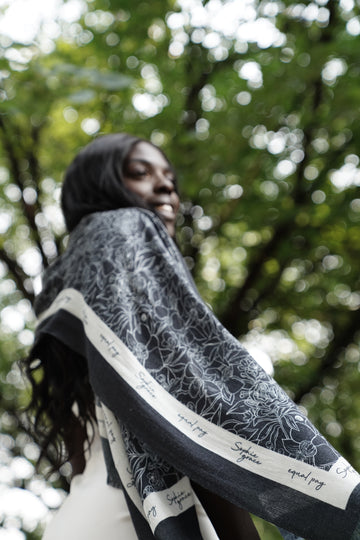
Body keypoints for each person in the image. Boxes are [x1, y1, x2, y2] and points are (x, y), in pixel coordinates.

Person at [23, 133, 360, 540]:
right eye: (138, 173)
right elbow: (182, 405)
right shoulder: (125, 228)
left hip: (90, 515)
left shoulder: (71, 281)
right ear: (99, 184)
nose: (166, 185)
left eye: (169, 177)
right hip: (136, 520)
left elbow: (82, 450)